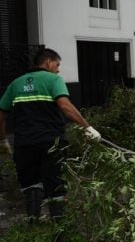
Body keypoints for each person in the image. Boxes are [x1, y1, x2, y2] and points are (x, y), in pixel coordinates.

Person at [0, 48, 101, 219]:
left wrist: (2, 140)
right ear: (48, 62)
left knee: (30, 184)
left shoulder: (15, 84)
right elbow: (65, 106)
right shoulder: (53, 80)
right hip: (51, 143)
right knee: (55, 183)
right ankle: (58, 227)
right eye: (57, 64)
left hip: (24, 144)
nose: (58, 69)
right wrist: (87, 127)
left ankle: (34, 223)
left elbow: (1, 115)